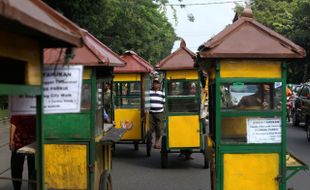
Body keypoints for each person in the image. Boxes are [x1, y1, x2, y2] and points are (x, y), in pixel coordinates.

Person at [9, 115, 36, 190]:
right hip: (19, 141)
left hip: (34, 141)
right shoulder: (19, 107)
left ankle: (32, 187)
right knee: (16, 167)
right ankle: (17, 187)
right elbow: (13, 123)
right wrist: (11, 140)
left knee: (33, 168)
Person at [146, 78, 165, 149]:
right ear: (153, 84)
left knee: (159, 129)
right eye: (154, 83)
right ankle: (149, 141)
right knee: (149, 129)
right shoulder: (149, 92)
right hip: (150, 114)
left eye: (157, 83)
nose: (156, 84)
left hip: (160, 113)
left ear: (159, 85)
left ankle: (156, 143)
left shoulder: (162, 93)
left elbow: (164, 103)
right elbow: (146, 102)